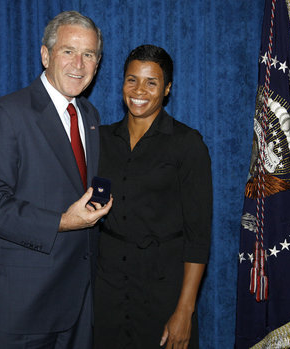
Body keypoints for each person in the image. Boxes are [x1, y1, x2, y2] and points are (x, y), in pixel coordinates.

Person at [0, 11, 112, 349]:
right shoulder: (2, 115)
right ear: (45, 55)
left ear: (98, 62)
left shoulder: (89, 115)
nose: (79, 63)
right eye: (68, 51)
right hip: (24, 310)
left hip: (79, 306)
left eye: (89, 54)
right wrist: (62, 222)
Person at [94, 45, 212, 349]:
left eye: (151, 82)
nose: (139, 90)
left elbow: (198, 237)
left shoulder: (187, 144)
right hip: (106, 293)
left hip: (162, 295)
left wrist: (184, 311)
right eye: (132, 80)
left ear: (167, 88)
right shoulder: (100, 140)